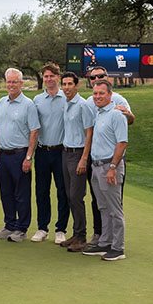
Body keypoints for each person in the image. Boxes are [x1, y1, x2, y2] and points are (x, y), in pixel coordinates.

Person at [84, 65, 134, 246]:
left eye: (101, 93)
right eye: (95, 93)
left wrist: (113, 167)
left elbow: (122, 143)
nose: (97, 96)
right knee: (102, 207)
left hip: (109, 166)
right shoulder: (98, 112)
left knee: (114, 209)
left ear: (109, 95)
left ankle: (117, 247)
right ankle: (104, 242)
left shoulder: (117, 112)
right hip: (96, 165)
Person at [0, 68, 40, 243]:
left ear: (21, 83)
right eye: (8, 81)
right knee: (6, 192)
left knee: (21, 193)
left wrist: (28, 157)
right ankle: (10, 224)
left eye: (14, 82)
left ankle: (22, 228)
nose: (11, 85)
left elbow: (34, 131)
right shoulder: (1, 102)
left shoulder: (28, 104)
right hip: (4, 155)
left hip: (20, 155)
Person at [31, 63, 69, 244]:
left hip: (61, 151)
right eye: (45, 76)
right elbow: (32, 127)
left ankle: (61, 229)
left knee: (62, 191)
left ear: (58, 77)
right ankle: (42, 228)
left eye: (51, 76)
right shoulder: (37, 100)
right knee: (42, 191)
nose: (48, 79)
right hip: (42, 151)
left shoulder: (67, 98)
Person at [59, 71, 95, 252]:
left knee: (76, 196)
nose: (66, 87)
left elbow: (90, 132)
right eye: (63, 84)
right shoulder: (66, 104)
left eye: (69, 84)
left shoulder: (83, 105)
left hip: (78, 154)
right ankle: (75, 234)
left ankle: (81, 237)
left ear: (76, 85)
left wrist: (84, 158)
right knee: (69, 195)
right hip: (66, 153)